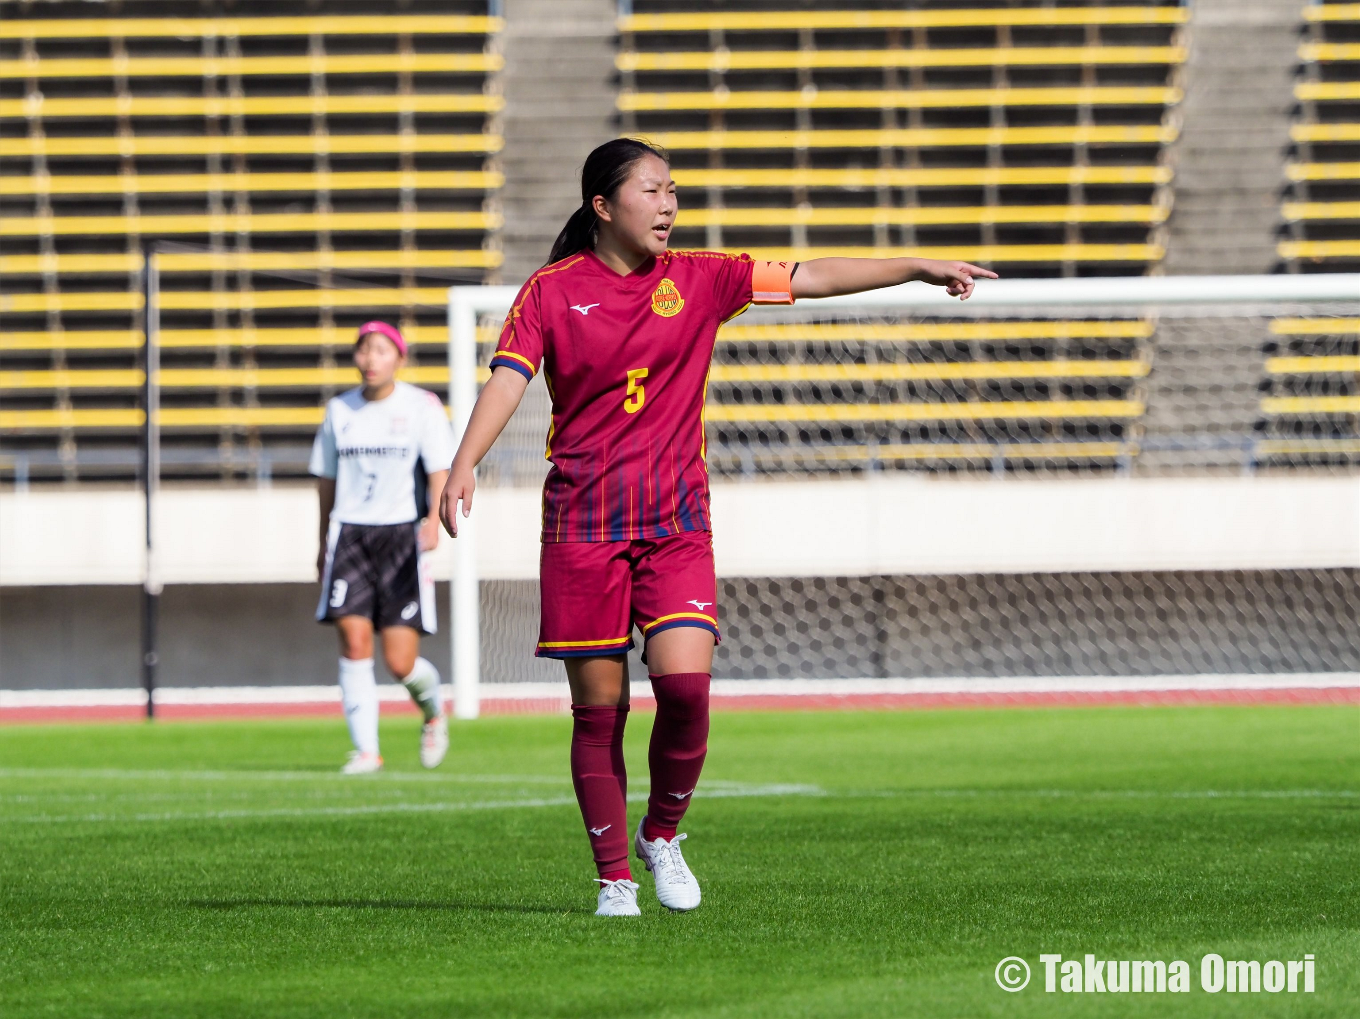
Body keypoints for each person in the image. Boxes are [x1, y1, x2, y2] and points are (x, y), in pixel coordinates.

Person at [439, 138, 997, 915]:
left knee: (688, 688)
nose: (669, 204)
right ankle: (614, 880)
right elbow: (508, 378)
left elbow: (811, 276)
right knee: (600, 711)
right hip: (584, 526)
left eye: (673, 190)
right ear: (603, 206)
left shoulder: (702, 278)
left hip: (676, 522)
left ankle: (661, 833)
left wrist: (918, 265)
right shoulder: (551, 291)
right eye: (652, 190)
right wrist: (464, 460)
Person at [311, 321, 457, 774]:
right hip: (351, 536)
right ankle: (366, 751)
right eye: (363, 350)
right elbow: (326, 481)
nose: (370, 359)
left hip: (400, 537)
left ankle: (433, 713)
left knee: (399, 661)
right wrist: (321, 541)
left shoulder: (421, 407)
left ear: (398, 357)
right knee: (354, 643)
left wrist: (433, 521)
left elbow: (438, 470)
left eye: (380, 350)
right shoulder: (339, 411)